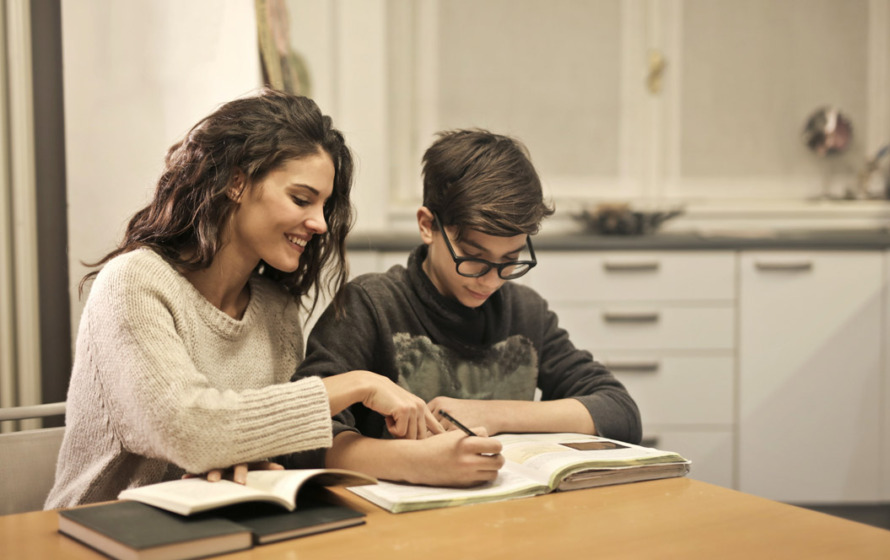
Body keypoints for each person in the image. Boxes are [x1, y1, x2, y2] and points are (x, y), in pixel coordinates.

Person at [45, 89, 441, 509]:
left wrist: (248, 463)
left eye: (325, 206)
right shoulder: (133, 284)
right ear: (236, 181)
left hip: (218, 529)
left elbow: (256, 446)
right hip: (94, 534)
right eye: (302, 199)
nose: (320, 223)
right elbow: (191, 430)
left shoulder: (275, 309)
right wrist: (358, 383)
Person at [293, 129, 642, 487]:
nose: (490, 281)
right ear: (428, 225)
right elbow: (298, 435)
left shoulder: (526, 312)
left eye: (510, 259)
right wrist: (414, 462)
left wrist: (492, 414)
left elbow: (619, 411)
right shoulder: (370, 306)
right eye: (474, 259)